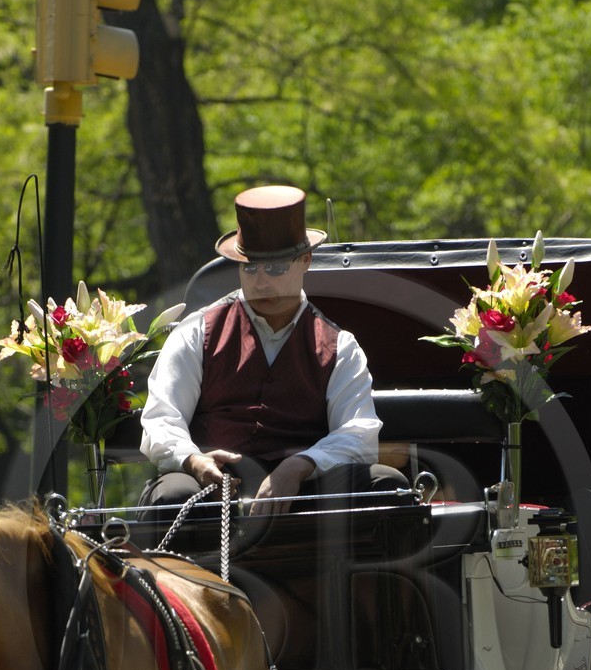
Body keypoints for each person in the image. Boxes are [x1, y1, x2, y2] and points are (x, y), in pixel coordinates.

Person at [139, 184, 406, 518]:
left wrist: (300, 466)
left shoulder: (341, 347)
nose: (261, 282)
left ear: (305, 260)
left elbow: (358, 434)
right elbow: (162, 418)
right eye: (250, 267)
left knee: (388, 486)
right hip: (208, 492)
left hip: (308, 495)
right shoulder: (194, 332)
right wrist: (193, 460)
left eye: (276, 268)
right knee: (171, 498)